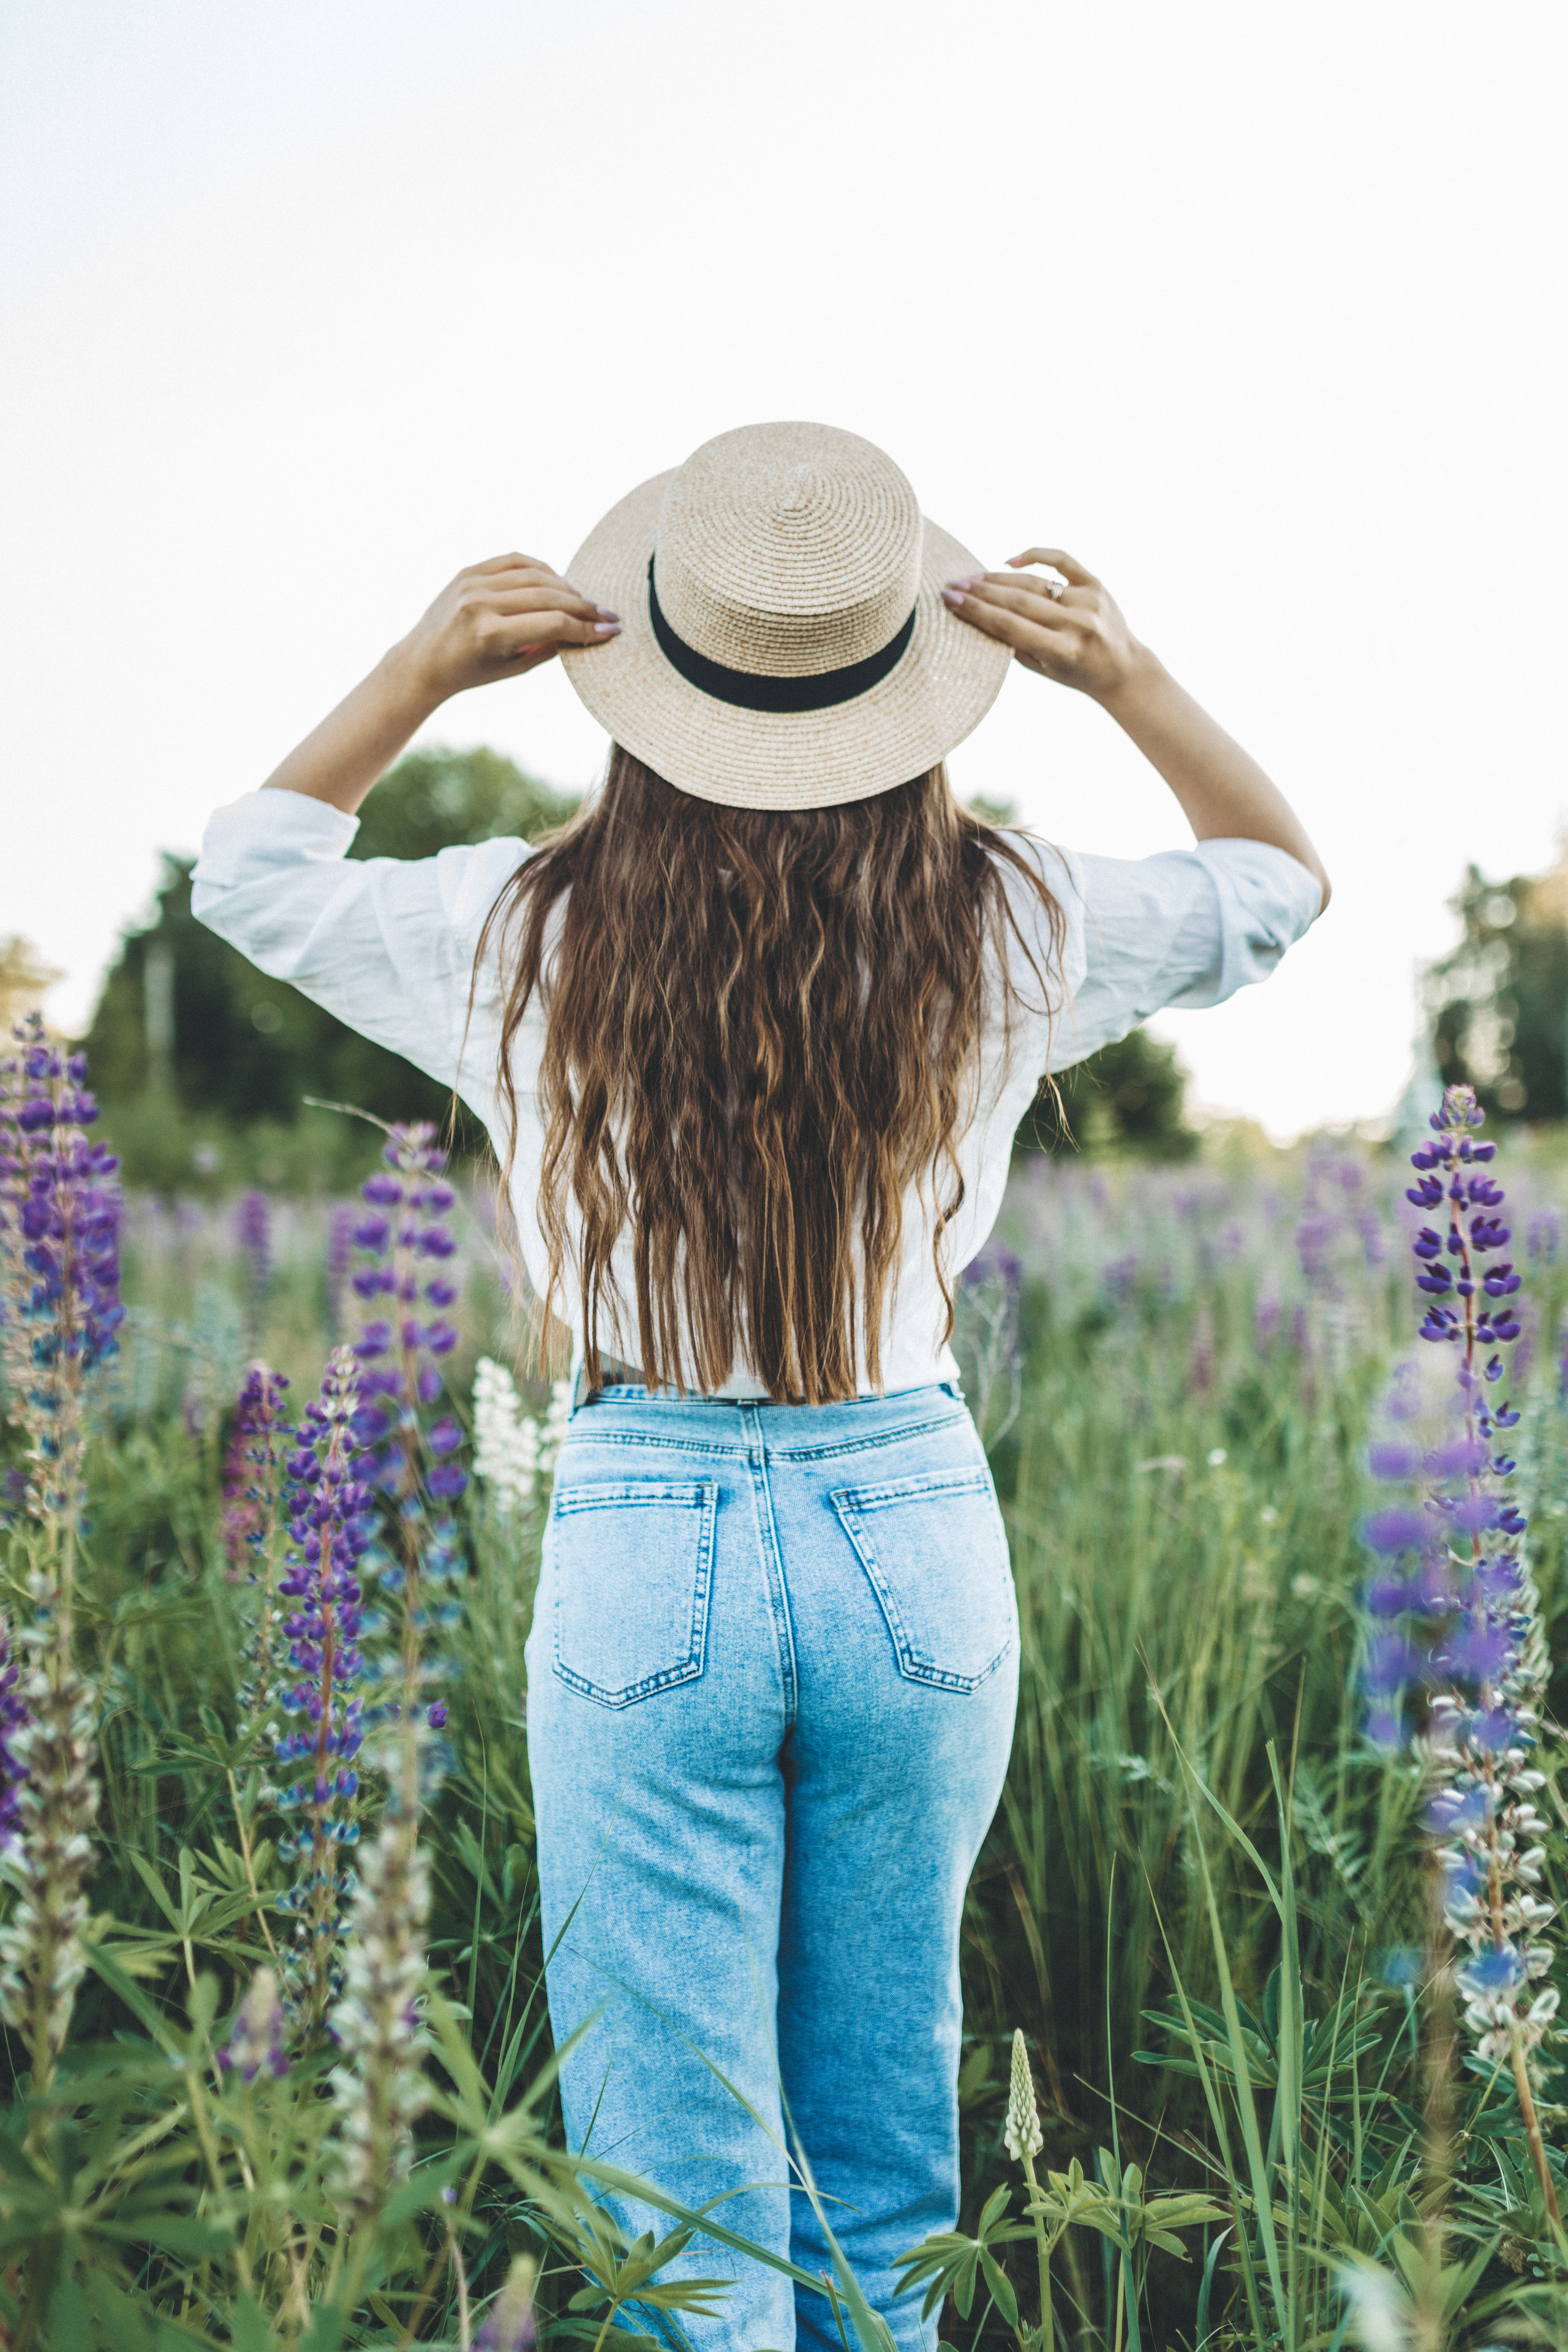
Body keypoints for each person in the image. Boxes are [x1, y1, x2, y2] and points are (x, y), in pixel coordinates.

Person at [192, 420, 1327, 2350]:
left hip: (644, 1525)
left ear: (647, 688)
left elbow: (253, 875)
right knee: (886, 2173)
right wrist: (1123, 671)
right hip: (912, 1522)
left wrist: (418, 669)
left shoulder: (514, 929)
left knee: (673, 2194)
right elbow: (1278, 884)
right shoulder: (1012, 917)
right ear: (916, 689)